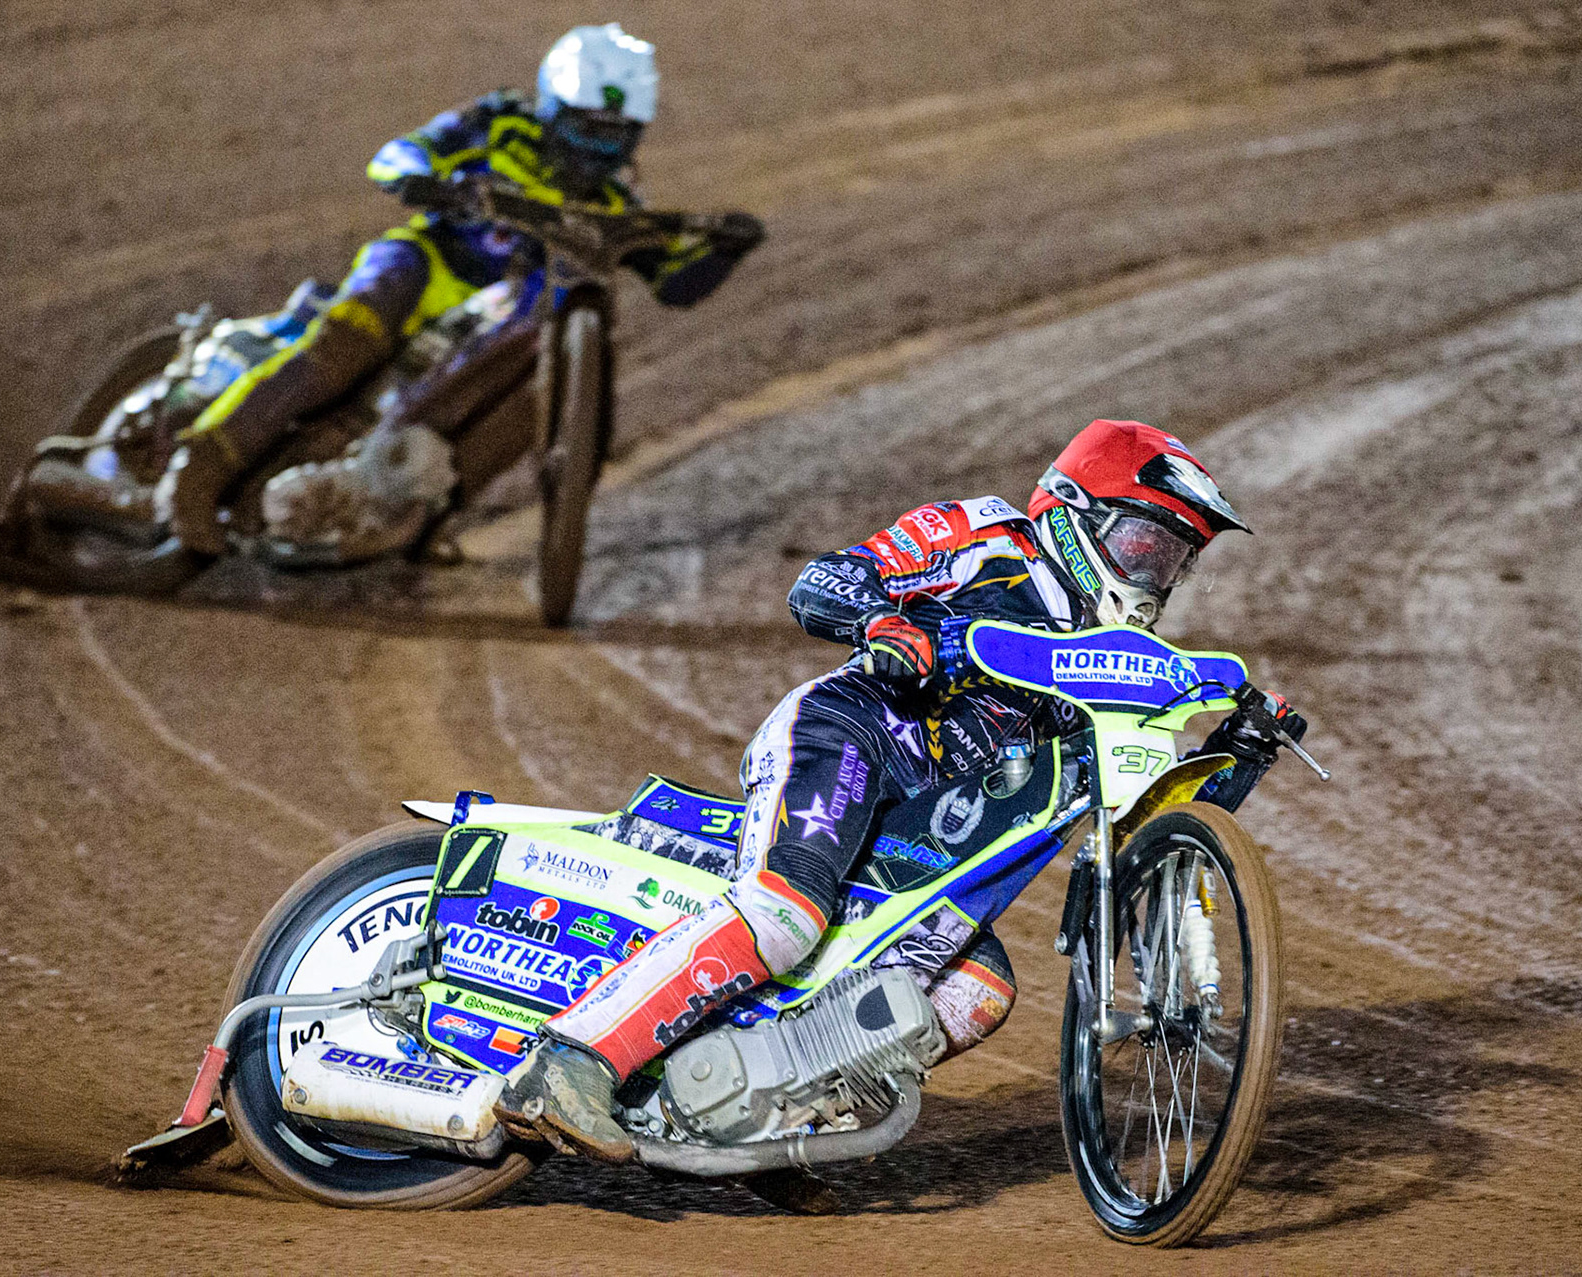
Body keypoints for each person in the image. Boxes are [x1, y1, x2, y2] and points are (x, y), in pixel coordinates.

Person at [497, 417, 1300, 1167]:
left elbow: (1142, 830)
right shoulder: (989, 537)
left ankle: (760, 1119)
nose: (1155, 575)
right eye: (1143, 544)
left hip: (925, 830)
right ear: (1073, 516)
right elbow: (827, 579)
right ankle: (568, 1062)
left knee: (977, 988)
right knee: (786, 909)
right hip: (853, 736)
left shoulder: (1117, 669)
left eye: (1174, 558)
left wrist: (1235, 754)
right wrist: (885, 623)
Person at [155, 23, 766, 555]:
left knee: (528, 407)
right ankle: (197, 470)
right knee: (347, 338)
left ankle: (420, 524)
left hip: (508, 323)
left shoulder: (615, 205)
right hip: (426, 267)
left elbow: (674, 285)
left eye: (615, 135)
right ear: (553, 106)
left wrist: (728, 250)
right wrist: (427, 182)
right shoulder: (498, 123)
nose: (596, 149)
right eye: (585, 127)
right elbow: (397, 155)